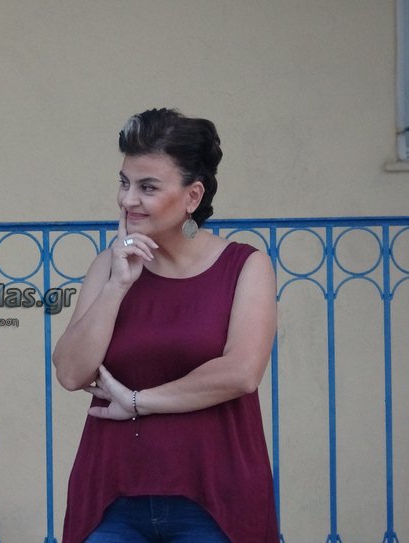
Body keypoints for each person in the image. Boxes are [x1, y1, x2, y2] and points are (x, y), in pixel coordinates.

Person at [52, 108, 278, 543]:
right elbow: (71, 372)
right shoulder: (108, 267)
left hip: (215, 501)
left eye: (148, 187)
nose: (127, 200)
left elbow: (241, 372)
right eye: (124, 183)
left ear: (192, 196)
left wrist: (138, 401)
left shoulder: (245, 266)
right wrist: (118, 285)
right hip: (111, 499)